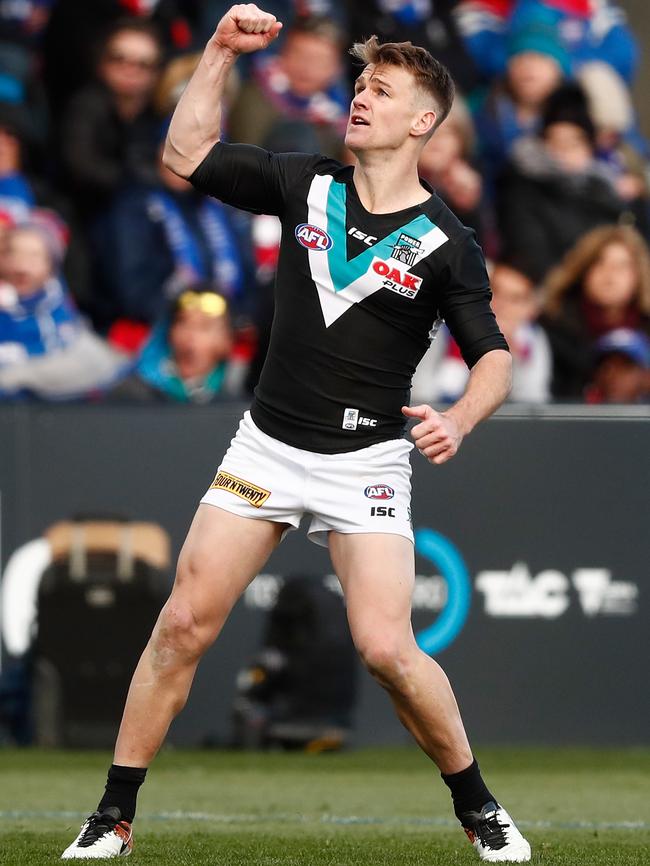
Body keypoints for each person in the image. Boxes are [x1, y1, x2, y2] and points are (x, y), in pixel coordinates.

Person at [61, 5, 531, 863]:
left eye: (380, 91)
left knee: (388, 649)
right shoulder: (305, 181)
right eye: (358, 84)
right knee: (182, 627)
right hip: (268, 448)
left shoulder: (447, 241)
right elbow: (184, 154)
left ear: (423, 121)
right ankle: (112, 817)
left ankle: (480, 807)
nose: (360, 99)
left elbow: (493, 356)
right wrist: (216, 53)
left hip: (367, 463)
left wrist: (462, 417)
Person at [540, 224, 650, 400]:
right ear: (584, 271)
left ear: (639, 275)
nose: (610, 274)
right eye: (600, 262)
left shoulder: (646, 329)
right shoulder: (553, 327)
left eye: (622, 266)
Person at [109, 286, 246, 403]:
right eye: (182, 323)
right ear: (168, 333)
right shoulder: (131, 395)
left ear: (227, 341)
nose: (190, 335)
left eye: (204, 327)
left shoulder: (237, 406)